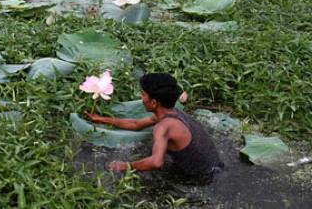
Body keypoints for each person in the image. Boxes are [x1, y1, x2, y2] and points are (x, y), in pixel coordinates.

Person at [84, 73, 223, 181]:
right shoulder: (171, 113)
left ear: (154, 102)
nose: (141, 98)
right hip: (215, 166)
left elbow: (156, 162)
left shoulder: (164, 127)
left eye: (144, 94)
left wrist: (125, 166)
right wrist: (101, 119)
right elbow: (136, 124)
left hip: (202, 178)